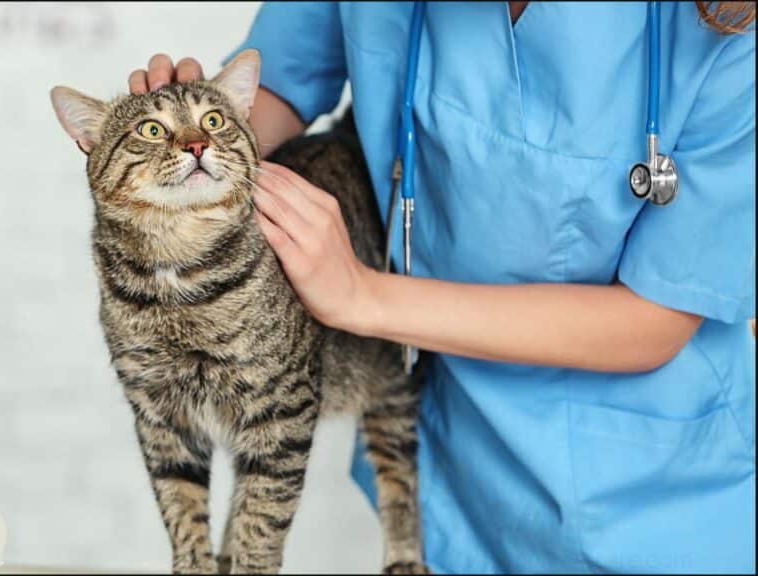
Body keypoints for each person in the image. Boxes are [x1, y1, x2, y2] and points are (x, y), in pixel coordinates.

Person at [127, 2, 755, 573]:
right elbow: (279, 86)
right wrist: (182, 140)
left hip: (656, 503)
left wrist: (364, 297)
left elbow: (656, 318)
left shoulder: (728, 24)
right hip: (448, 472)